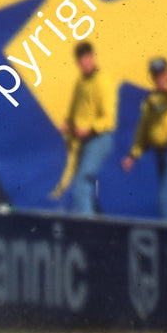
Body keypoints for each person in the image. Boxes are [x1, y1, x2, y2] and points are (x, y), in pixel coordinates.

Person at [122, 57, 167, 221]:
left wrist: (166, 88)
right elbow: (144, 132)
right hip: (161, 153)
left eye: (162, 73)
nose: (159, 77)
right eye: (156, 75)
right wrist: (133, 155)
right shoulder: (150, 101)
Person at [51, 41, 118, 215]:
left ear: (93, 57)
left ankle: (88, 226)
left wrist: (89, 129)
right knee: (82, 186)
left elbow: (108, 119)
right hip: (83, 142)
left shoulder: (103, 81)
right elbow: (74, 110)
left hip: (99, 139)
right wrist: (68, 123)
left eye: (87, 59)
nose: (84, 63)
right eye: (81, 60)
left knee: (82, 182)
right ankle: (96, 222)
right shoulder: (80, 82)